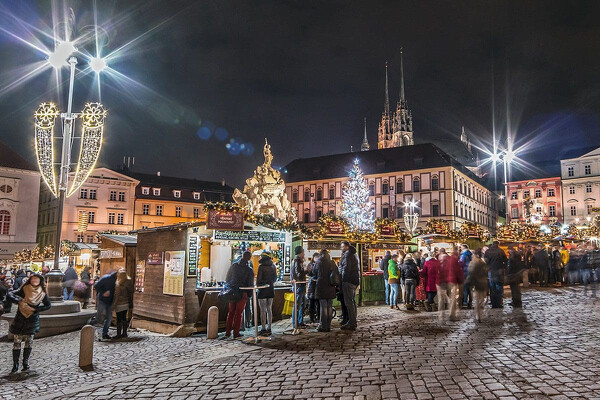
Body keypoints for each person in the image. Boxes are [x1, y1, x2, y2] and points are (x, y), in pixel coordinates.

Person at [8, 273, 51, 373]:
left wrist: (36, 309)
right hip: (20, 318)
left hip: (32, 319)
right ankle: (15, 364)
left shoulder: (42, 293)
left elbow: (48, 305)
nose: (35, 281)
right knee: (17, 342)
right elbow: (10, 294)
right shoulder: (25, 289)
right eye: (33, 279)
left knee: (29, 341)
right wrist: (19, 301)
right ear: (30, 280)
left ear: (40, 281)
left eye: (37, 279)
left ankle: (25, 362)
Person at [224, 251, 254, 339]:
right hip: (243, 293)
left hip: (232, 292)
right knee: (238, 314)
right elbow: (250, 284)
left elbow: (227, 278)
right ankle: (236, 333)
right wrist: (249, 295)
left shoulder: (233, 266)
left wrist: (230, 287)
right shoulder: (249, 270)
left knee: (231, 312)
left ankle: (227, 332)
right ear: (249, 258)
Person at [313, 249, 337, 332]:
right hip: (330, 286)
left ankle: (323, 326)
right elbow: (336, 273)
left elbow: (314, 272)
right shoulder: (332, 262)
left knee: (323, 307)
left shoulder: (319, 262)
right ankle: (328, 325)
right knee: (329, 306)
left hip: (321, 286)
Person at [339, 241, 359, 331]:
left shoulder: (347, 255)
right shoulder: (353, 254)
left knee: (349, 302)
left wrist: (343, 279)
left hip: (348, 281)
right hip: (354, 281)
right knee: (352, 301)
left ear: (347, 247)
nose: (341, 248)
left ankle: (352, 322)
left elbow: (346, 268)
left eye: (342, 246)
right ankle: (352, 321)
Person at [256, 251, 277, 335]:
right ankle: (270, 327)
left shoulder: (261, 267)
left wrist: (261, 284)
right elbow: (275, 278)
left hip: (262, 290)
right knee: (269, 309)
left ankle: (263, 328)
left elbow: (258, 280)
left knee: (262, 310)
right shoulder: (273, 266)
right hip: (271, 289)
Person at [465, 249, 488, 322]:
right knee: (481, 299)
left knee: (477, 300)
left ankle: (478, 315)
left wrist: (467, 282)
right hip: (483, 282)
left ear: (474, 255)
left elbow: (470, 273)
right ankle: (480, 313)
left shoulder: (472, 263)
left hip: (476, 282)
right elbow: (486, 271)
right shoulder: (482, 262)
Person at [94, 271, 118, 340]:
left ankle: (105, 333)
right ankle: (95, 332)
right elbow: (96, 286)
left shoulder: (116, 281)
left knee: (109, 318)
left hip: (109, 301)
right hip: (102, 300)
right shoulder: (106, 278)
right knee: (100, 316)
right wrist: (103, 292)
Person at [484, 241, 507, 308]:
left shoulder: (488, 251)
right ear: (498, 244)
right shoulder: (501, 251)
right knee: (499, 287)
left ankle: (493, 303)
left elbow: (486, 261)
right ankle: (498, 303)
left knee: (492, 287)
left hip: (491, 271)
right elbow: (505, 260)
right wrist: (503, 267)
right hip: (499, 271)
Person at [112, 269, 133, 339]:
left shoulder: (119, 285)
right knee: (124, 317)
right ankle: (124, 333)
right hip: (126, 303)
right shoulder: (129, 283)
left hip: (120, 304)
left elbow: (117, 296)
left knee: (119, 319)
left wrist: (114, 304)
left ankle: (118, 334)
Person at [291, 246, 307, 328]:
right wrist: (307, 271)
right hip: (299, 285)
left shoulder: (299, 261)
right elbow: (299, 274)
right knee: (297, 305)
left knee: (301, 305)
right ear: (300, 253)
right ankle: (295, 323)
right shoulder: (297, 261)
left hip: (301, 285)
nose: (304, 254)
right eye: (303, 252)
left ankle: (300, 322)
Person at [306, 253, 320, 324]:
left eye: (318, 257)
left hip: (318, 286)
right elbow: (308, 273)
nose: (317, 258)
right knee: (311, 303)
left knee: (318, 303)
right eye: (315, 257)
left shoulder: (320, 265)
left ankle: (318, 318)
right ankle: (312, 318)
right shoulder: (310, 265)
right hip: (312, 286)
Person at [459, 244, 473, 308]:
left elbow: (461, 264)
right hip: (470, 272)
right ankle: (470, 302)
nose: (460, 249)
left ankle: (464, 302)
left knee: (465, 288)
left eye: (461, 247)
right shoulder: (470, 254)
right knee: (470, 289)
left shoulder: (463, 255)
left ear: (464, 248)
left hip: (465, 272)